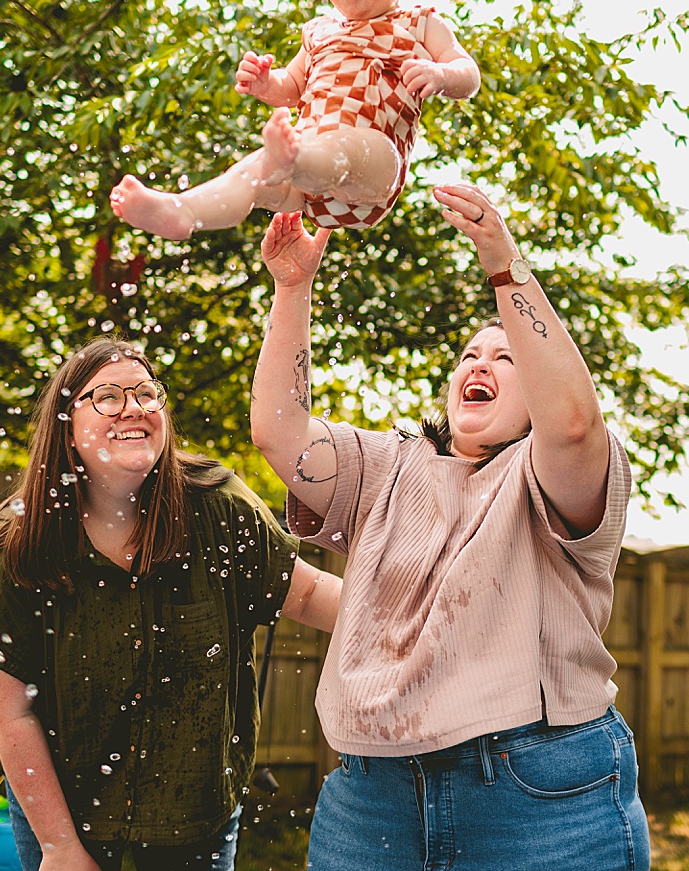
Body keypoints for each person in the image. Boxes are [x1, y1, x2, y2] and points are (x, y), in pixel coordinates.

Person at [249, 189, 649, 871]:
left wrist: (503, 264)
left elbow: (574, 424)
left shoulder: (554, 478)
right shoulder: (390, 466)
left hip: (540, 793)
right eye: (468, 355)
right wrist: (293, 288)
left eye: (507, 358)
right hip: (371, 799)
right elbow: (278, 434)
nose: (480, 364)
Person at [0, 338, 341, 871]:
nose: (134, 407)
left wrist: (425, 611)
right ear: (66, 423)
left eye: (146, 393)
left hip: (196, 810)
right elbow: (12, 713)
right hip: (65, 809)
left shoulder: (219, 507)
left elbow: (313, 594)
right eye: (107, 396)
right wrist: (61, 846)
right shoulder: (19, 539)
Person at [109, 0, 479, 241]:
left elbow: (469, 73)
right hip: (305, 187)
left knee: (342, 148)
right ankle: (183, 212)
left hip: (373, 165)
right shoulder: (319, 32)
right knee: (251, 174)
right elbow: (291, 88)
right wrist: (265, 84)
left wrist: (442, 74)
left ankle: (293, 160)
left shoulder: (418, 24)